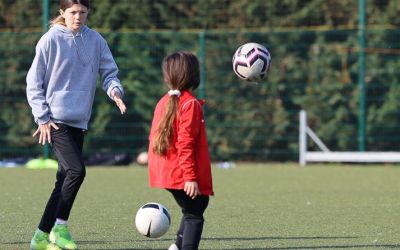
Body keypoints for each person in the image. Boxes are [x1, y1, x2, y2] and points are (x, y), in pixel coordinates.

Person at [26, 0, 127, 249]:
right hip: (56, 121)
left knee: (63, 179)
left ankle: (40, 237)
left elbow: (109, 73)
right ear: (62, 13)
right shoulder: (50, 40)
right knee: (76, 171)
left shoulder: (96, 41)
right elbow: (33, 82)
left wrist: (115, 92)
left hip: (79, 121)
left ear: (88, 13)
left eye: (82, 12)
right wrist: (43, 117)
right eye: (72, 12)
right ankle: (60, 227)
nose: (78, 17)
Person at [147, 51, 214, 250]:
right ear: (193, 75)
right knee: (195, 214)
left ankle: (177, 246)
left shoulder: (164, 102)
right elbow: (185, 144)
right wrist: (190, 177)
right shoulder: (189, 104)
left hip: (166, 171)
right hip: (180, 173)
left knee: (195, 207)